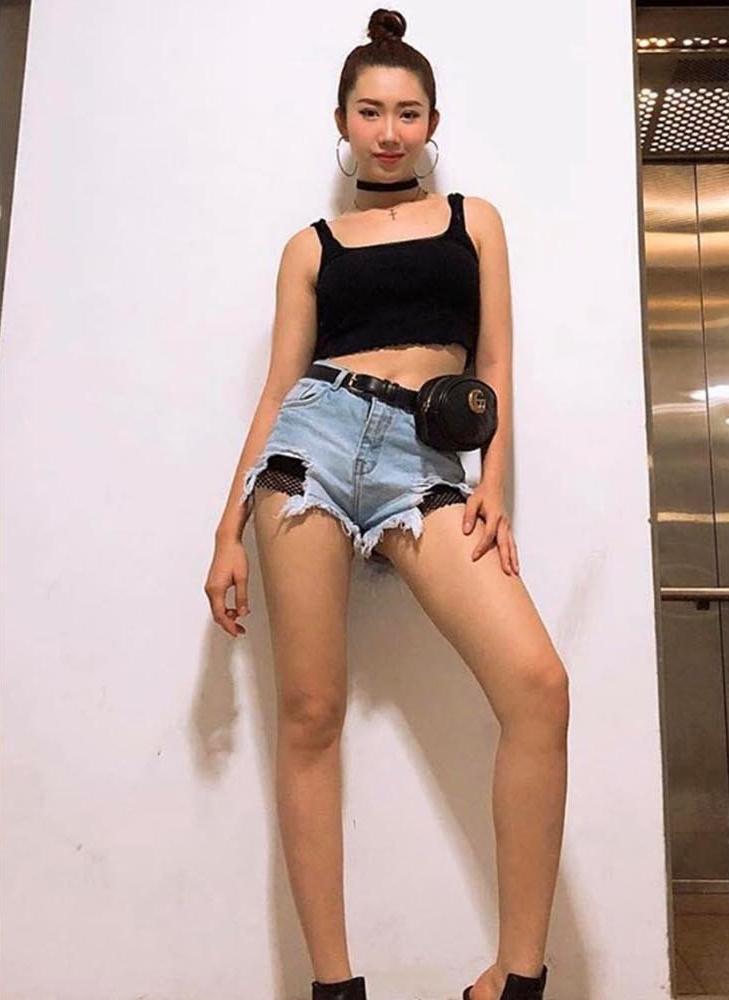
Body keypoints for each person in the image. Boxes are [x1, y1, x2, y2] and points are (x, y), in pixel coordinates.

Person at [204, 9, 569, 1000]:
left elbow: (493, 362)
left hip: (425, 456)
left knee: (537, 686)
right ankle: (334, 986)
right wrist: (226, 530)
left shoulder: (472, 221)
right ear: (343, 121)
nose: (389, 130)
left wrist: (492, 484)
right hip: (311, 447)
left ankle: (516, 977)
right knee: (309, 713)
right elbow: (276, 390)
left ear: (431, 123)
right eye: (370, 111)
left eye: (408, 113)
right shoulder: (311, 245)